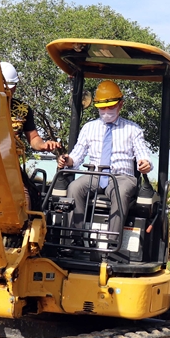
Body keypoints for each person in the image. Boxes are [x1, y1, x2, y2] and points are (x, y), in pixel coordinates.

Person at [56, 80, 153, 241]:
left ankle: (111, 243)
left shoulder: (133, 129)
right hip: (94, 174)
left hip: (122, 177)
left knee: (120, 192)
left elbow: (143, 154)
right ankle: (74, 239)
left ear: (120, 105)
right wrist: (67, 160)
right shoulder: (89, 127)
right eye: (102, 108)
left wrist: (145, 163)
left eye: (111, 107)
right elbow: (77, 155)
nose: (106, 111)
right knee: (74, 187)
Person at [0, 62, 62, 154]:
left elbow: (33, 138)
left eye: (9, 88)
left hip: (10, 163)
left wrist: (43, 145)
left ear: (15, 86)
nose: (6, 91)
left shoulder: (22, 110)